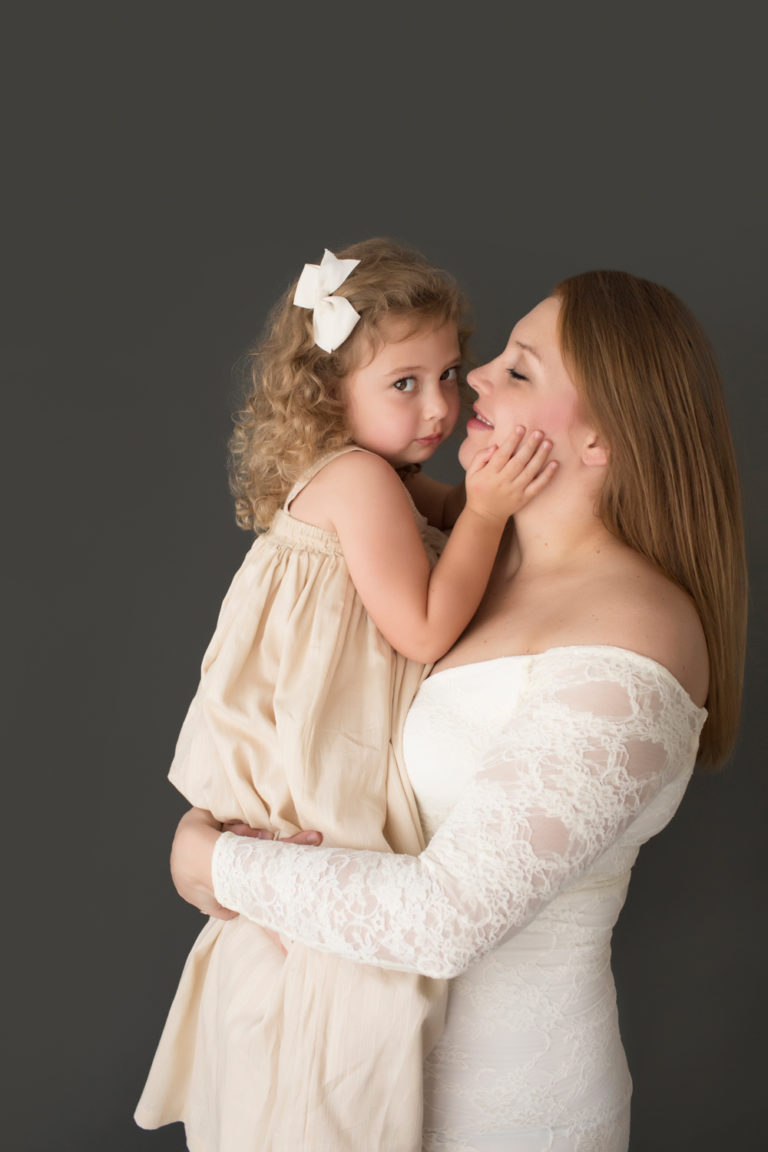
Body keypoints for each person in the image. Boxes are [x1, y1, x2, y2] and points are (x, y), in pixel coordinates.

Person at [171, 269, 747, 1151]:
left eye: (517, 372)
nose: (471, 381)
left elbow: (446, 920)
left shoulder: (635, 635)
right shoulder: (484, 563)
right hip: (364, 1076)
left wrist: (215, 861)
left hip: (505, 1109)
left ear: (600, 439)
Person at [135, 239, 556, 1151]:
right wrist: (486, 511)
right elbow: (423, 629)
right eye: (404, 383)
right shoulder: (361, 481)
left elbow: (445, 519)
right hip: (321, 771)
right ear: (329, 391)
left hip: (314, 749)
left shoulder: (382, 478)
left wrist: (482, 505)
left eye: (449, 373)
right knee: (355, 975)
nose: (441, 406)